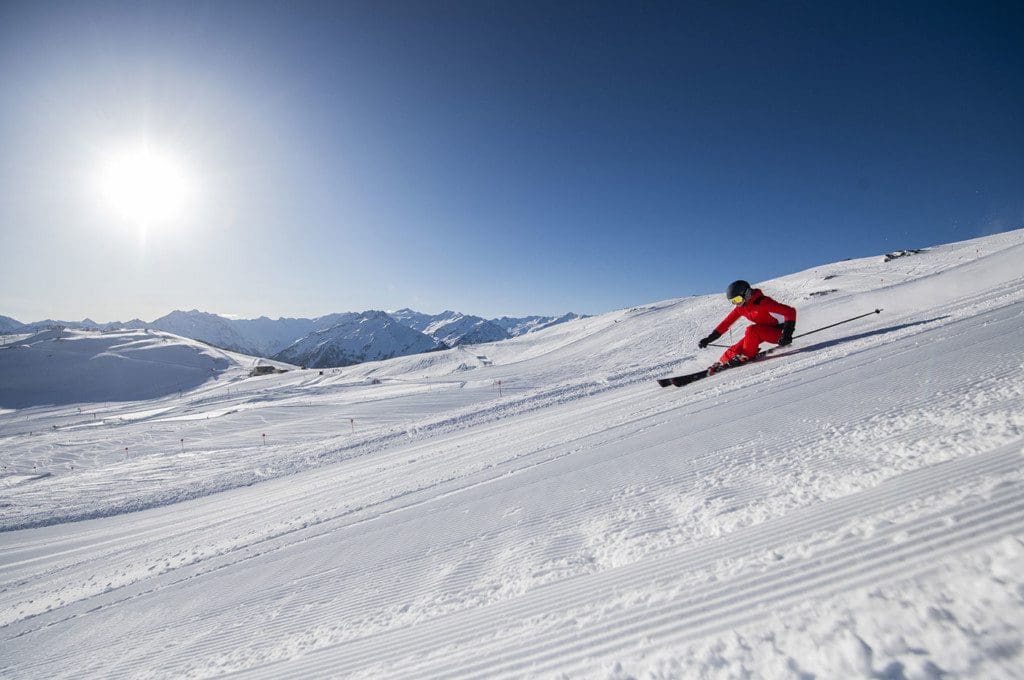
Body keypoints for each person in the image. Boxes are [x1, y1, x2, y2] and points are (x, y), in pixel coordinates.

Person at [698, 280, 796, 374]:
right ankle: (722, 362)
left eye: (738, 299)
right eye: (733, 301)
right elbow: (726, 323)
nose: (737, 303)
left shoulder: (763, 302)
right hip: (762, 331)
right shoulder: (741, 309)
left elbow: (790, 312)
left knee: (752, 330)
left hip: (780, 333)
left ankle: (746, 356)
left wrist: (787, 334)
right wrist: (709, 338)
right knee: (739, 346)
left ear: (747, 293)